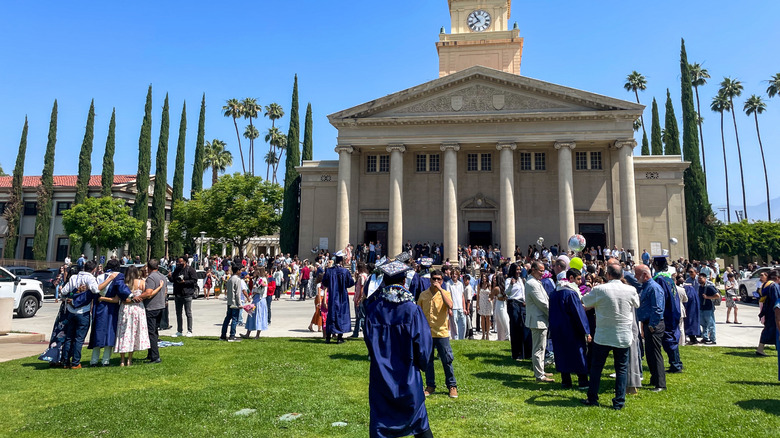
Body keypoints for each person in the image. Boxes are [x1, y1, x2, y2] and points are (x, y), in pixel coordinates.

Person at [364, 260, 434, 438]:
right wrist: (421, 365)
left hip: (381, 376)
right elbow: (424, 348)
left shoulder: (372, 310)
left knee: (381, 421)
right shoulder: (412, 311)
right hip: (408, 375)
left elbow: (369, 343)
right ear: (404, 282)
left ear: (384, 282)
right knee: (418, 419)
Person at [581, 263, 640, 410]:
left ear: (607, 275)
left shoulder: (600, 289)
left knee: (597, 368)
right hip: (622, 334)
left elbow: (585, 301)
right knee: (621, 369)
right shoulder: (630, 289)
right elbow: (636, 304)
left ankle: (592, 397)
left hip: (604, 335)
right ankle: (619, 401)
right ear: (622, 276)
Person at [59, 261, 115, 369]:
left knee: (69, 337)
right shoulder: (90, 279)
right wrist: (109, 279)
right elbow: (95, 290)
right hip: (83, 312)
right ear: (94, 269)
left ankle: (65, 362)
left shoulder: (74, 277)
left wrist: (74, 292)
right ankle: (75, 363)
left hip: (71, 311)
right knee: (79, 339)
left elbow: (64, 292)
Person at [418, 269, 458, 398]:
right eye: (434, 279)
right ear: (430, 279)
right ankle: (430, 386)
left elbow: (450, 305)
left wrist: (440, 290)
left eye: (438, 279)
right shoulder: (423, 295)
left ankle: (452, 385)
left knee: (447, 360)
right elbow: (418, 312)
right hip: (427, 333)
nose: (436, 281)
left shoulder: (445, 293)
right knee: (428, 361)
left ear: (442, 280)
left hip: (441, 333)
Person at [549, 268, 591, 389]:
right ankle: (582, 381)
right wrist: (586, 331)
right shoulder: (571, 293)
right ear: (570, 278)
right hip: (572, 329)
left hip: (557, 329)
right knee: (578, 353)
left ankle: (566, 381)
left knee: (561, 354)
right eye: (578, 279)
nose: (579, 282)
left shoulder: (554, 293)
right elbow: (578, 313)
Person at [88, 259, 131, 367]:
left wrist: (101, 298)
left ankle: (93, 360)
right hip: (111, 307)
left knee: (98, 332)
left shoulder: (99, 277)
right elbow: (119, 295)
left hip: (99, 306)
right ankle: (105, 360)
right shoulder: (118, 276)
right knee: (110, 332)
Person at [115, 266, 155, 367]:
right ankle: (129, 359)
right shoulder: (141, 282)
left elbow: (120, 297)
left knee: (123, 333)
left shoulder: (124, 283)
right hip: (137, 308)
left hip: (125, 308)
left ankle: (122, 360)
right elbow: (148, 294)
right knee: (133, 333)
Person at [635, 264, 666, 391]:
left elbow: (657, 308)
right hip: (648, 323)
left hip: (655, 324)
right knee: (649, 353)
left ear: (645, 275)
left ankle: (660, 384)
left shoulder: (654, 288)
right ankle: (654, 379)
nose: (636, 277)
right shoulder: (646, 287)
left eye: (637, 275)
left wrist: (652, 325)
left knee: (655, 353)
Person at [652, 255, 683, 374]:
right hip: (673, 310)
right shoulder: (669, 278)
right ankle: (677, 362)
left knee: (668, 338)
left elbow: (660, 297)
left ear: (656, 265)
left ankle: (675, 364)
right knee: (672, 336)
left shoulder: (659, 279)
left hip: (667, 312)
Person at [526, 261, 553, 382]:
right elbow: (542, 303)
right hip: (537, 320)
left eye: (543, 270)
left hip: (541, 320)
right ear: (533, 269)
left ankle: (540, 371)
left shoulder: (536, 282)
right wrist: (553, 314)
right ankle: (539, 375)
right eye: (540, 270)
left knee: (542, 347)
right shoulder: (532, 283)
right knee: (538, 348)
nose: (542, 273)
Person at [136, 259, 168, 363]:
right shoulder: (162, 277)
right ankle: (150, 354)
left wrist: (137, 297)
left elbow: (148, 293)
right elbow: (165, 292)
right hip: (161, 306)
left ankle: (155, 356)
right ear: (157, 267)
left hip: (151, 307)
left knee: (151, 333)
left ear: (148, 268)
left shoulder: (150, 278)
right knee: (154, 331)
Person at [322, 251, 355, 344]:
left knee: (331, 315)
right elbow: (350, 283)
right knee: (341, 315)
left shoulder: (329, 271)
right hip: (342, 296)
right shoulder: (345, 271)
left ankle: (328, 337)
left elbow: (324, 283)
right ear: (342, 261)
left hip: (332, 296)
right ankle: (339, 338)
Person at [506, 263, 530, 360]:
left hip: (522, 304)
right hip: (513, 303)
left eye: (520, 270)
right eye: (517, 270)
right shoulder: (508, 280)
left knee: (523, 327)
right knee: (515, 327)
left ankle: (524, 353)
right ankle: (515, 353)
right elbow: (507, 292)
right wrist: (511, 285)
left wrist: (525, 301)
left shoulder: (521, 280)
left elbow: (523, 292)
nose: (518, 272)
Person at [172, 257, 197, 337]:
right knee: (178, 313)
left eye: (181, 262)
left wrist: (184, 282)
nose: (179, 263)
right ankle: (179, 331)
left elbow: (194, 280)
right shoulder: (177, 269)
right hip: (178, 293)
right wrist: (170, 276)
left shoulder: (190, 270)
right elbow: (173, 279)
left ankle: (189, 330)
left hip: (187, 293)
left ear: (185, 262)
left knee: (188, 313)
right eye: (178, 262)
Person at [757, 270, 779, 356]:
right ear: (777, 278)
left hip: (767, 310)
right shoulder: (774, 286)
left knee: (770, 329)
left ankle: (761, 348)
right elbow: (776, 299)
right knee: (770, 329)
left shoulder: (765, 285)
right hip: (773, 311)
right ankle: (760, 348)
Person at [242, 270, 269, 339]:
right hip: (255, 298)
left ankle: (257, 335)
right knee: (251, 314)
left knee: (259, 315)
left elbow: (262, 290)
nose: (254, 272)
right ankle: (248, 333)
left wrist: (255, 289)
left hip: (260, 299)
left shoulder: (263, 279)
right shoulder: (257, 279)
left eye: (255, 271)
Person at [220, 264, 243, 342]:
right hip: (235, 303)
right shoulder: (237, 279)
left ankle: (223, 335)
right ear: (237, 271)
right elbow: (237, 293)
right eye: (240, 270)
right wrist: (239, 303)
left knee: (227, 319)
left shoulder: (230, 279)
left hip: (229, 302)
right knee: (234, 319)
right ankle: (232, 335)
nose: (241, 271)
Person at [698, 272, 720, 345]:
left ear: (705, 278)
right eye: (698, 278)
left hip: (708, 308)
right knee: (703, 324)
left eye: (700, 278)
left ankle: (713, 339)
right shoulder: (700, 287)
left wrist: (708, 297)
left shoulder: (709, 287)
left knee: (710, 324)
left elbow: (717, 296)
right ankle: (705, 338)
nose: (699, 280)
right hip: (701, 308)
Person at [448, 268, 467, 340]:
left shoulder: (460, 284)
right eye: (453, 274)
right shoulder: (448, 284)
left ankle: (462, 338)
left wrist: (464, 308)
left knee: (463, 324)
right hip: (453, 307)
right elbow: (448, 296)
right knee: (454, 325)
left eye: (455, 274)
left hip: (460, 307)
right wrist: (449, 309)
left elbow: (462, 296)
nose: (454, 275)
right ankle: (455, 338)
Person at [491, 273, 510, 341]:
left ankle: (505, 336)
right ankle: (504, 336)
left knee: (501, 321)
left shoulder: (496, 288)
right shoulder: (504, 287)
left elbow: (491, 296)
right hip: (504, 304)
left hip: (499, 304)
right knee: (504, 320)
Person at [477, 274, 493, 340]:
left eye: (485, 277)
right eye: (483, 277)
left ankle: (487, 334)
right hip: (481, 302)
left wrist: (491, 298)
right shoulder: (479, 285)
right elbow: (478, 295)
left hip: (488, 302)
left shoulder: (489, 285)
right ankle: (483, 333)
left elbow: (492, 293)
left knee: (488, 318)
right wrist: (477, 304)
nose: (484, 278)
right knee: (482, 318)